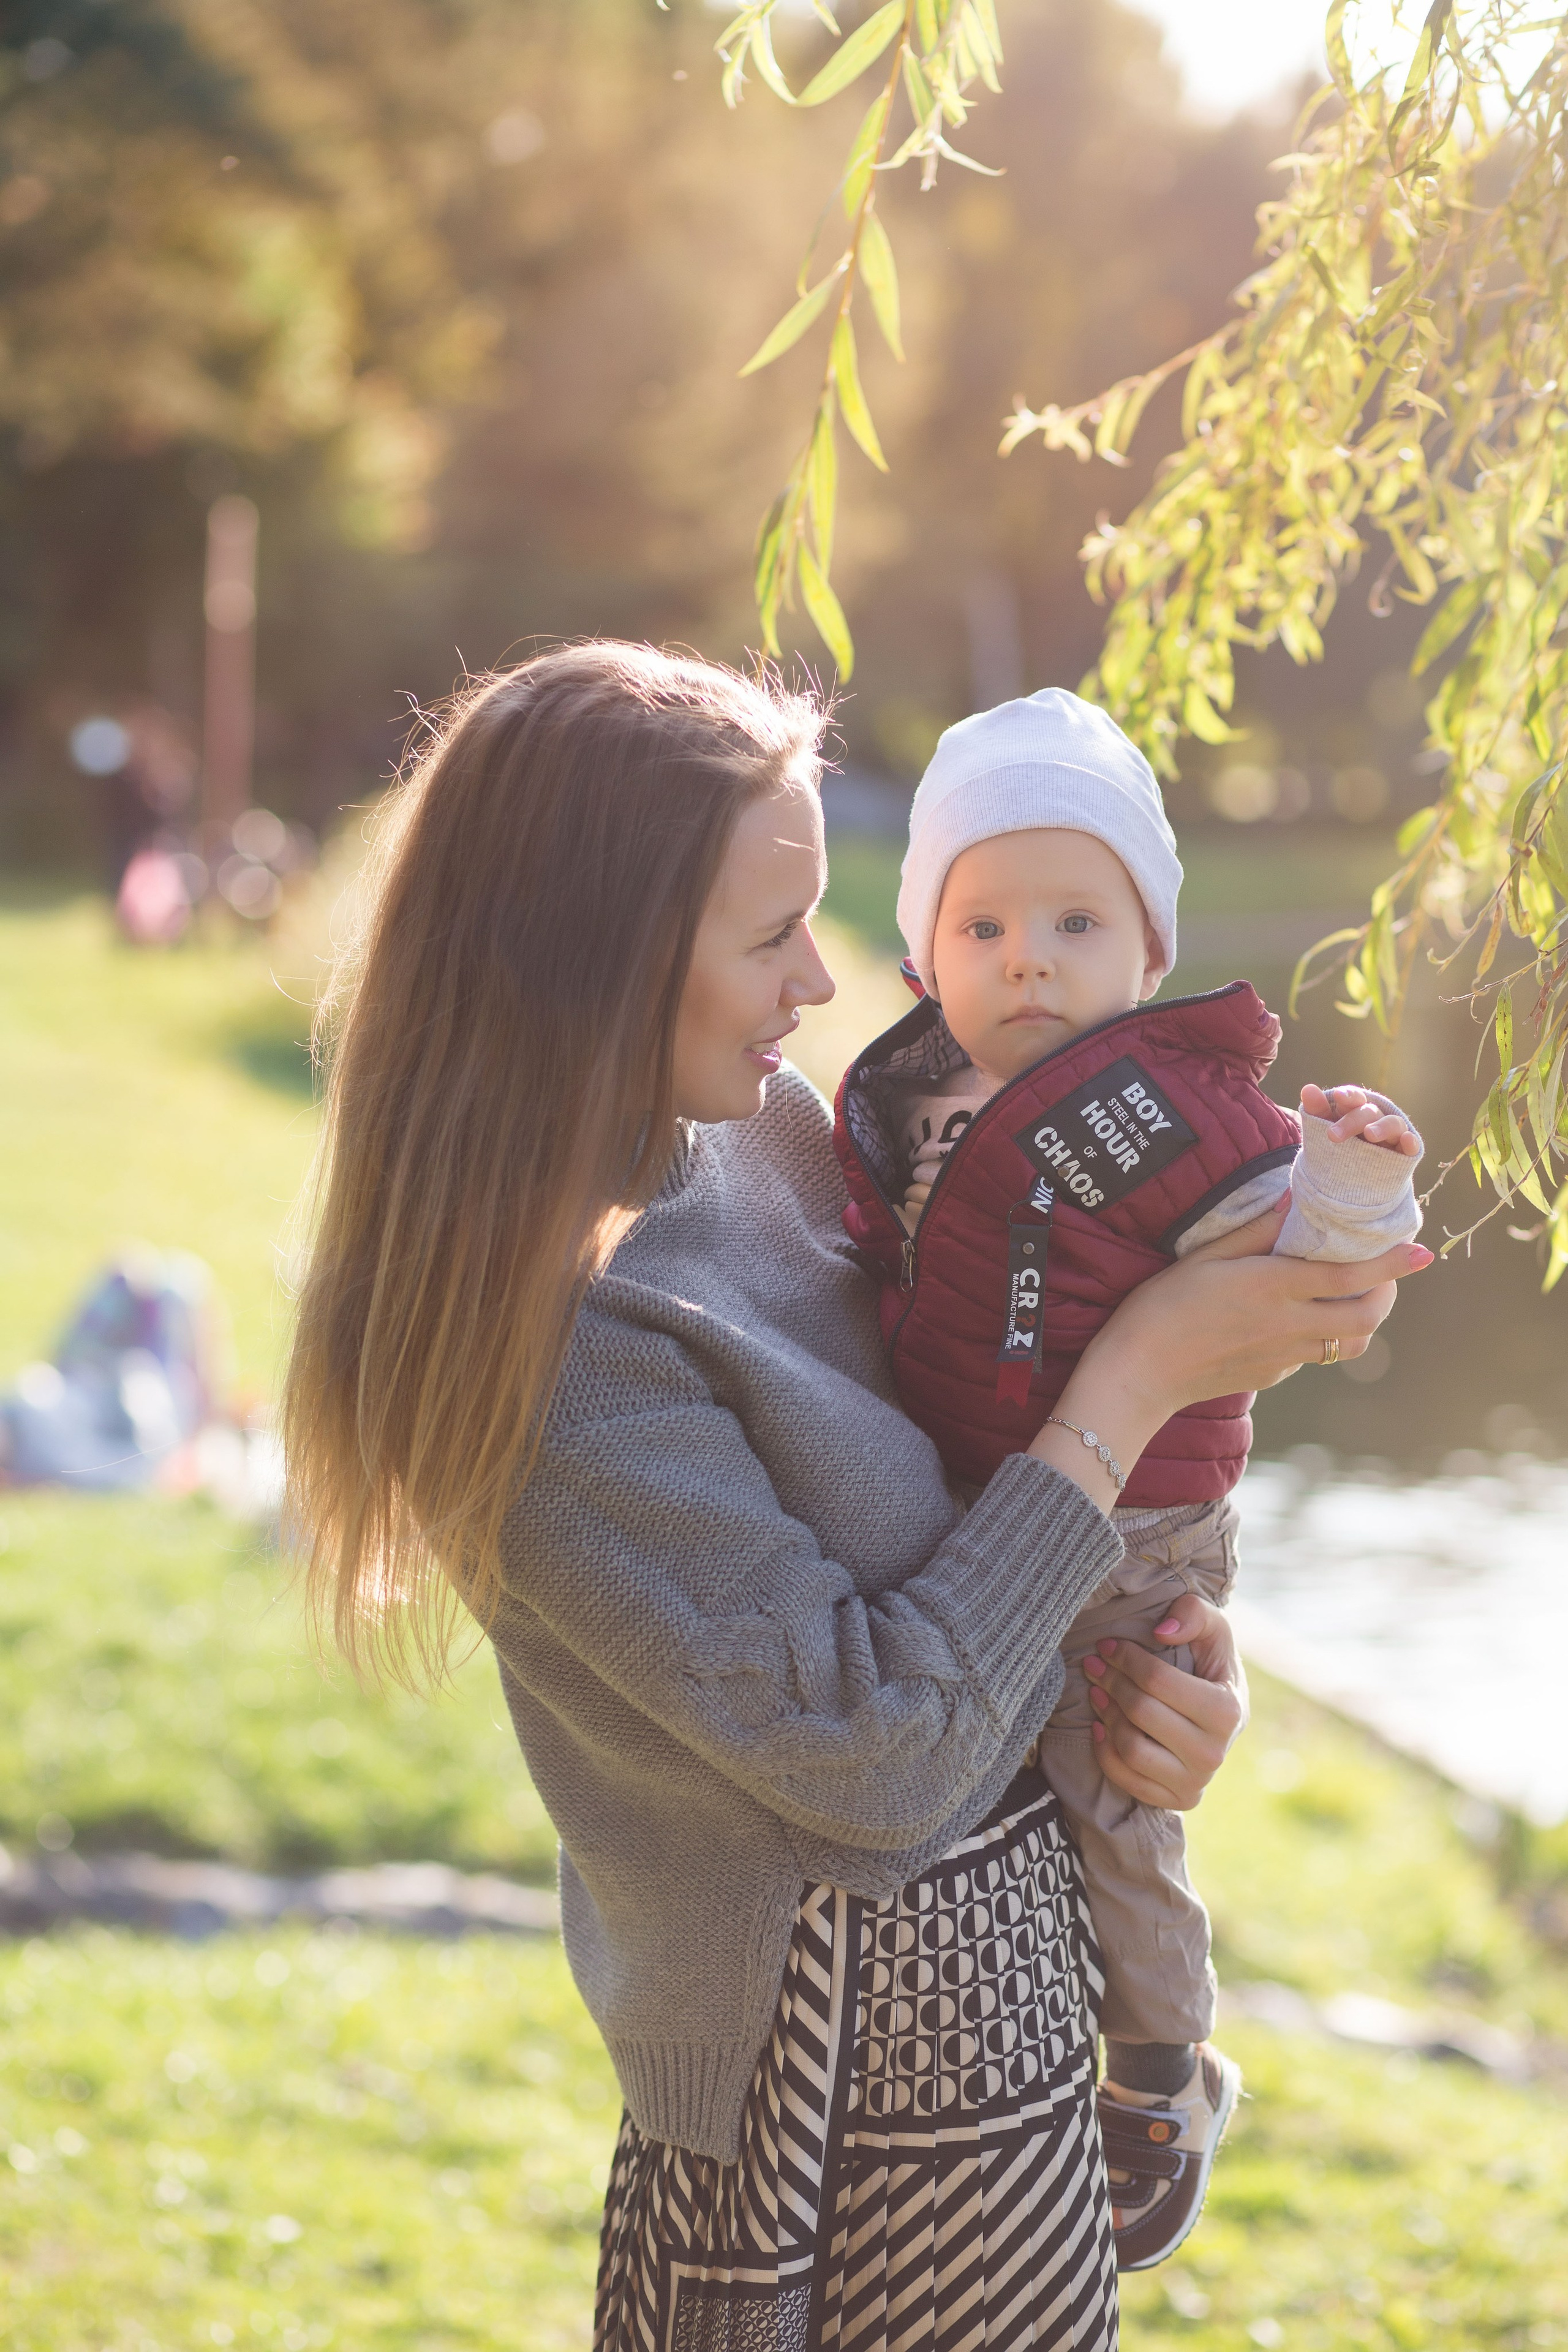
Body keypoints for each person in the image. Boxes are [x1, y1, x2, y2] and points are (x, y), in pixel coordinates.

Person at [281, 646, 1427, 2351]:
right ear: (595, 957)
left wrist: (1153, 1670)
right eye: (767, 937)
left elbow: (976, 1504)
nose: (819, 984)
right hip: (822, 2121)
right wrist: (1141, 1378)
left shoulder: (773, 1142)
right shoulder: (566, 1356)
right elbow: (878, 1758)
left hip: (1008, 2036)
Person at [834, 688, 1423, 2268]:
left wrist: (1355, 1179)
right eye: (985, 924)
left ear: (1148, 959)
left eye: (1076, 921)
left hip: (1130, 1525)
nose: (1027, 956)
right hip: (985, 1509)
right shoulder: (904, 1105)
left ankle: (1164, 2068)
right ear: (923, 959)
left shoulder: (1151, 1111)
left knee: (1115, 1797)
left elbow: (1300, 1266)